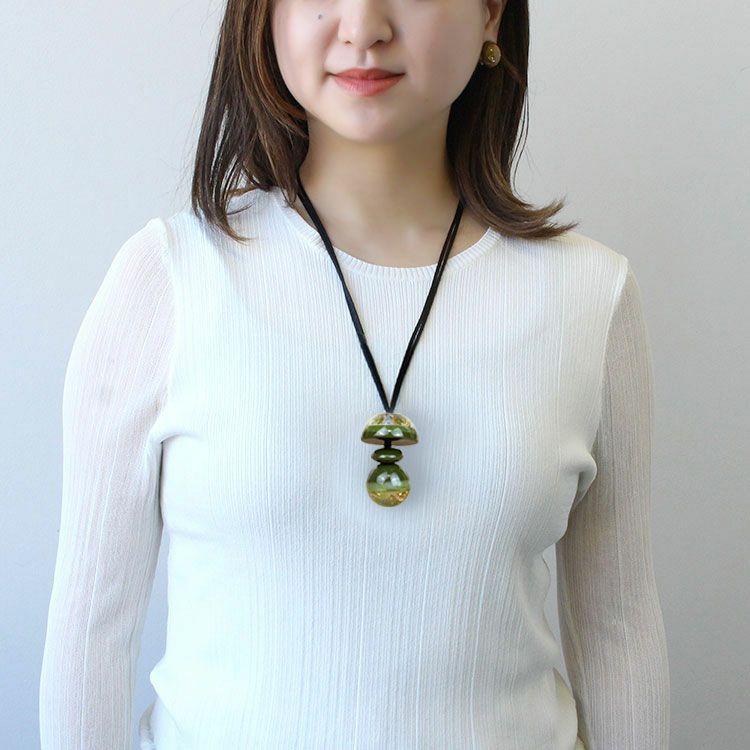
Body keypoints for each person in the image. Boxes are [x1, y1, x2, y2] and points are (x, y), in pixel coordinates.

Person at [39, 0, 670, 747]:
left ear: (491, 15)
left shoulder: (590, 297)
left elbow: (618, 628)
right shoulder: (170, 278)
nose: (363, 26)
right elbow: (91, 632)